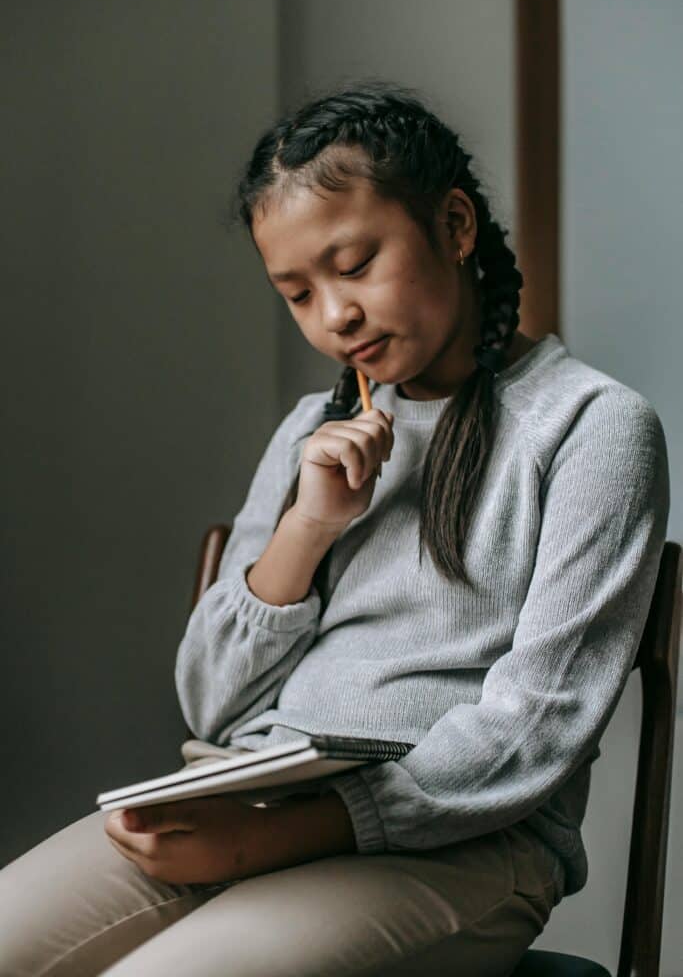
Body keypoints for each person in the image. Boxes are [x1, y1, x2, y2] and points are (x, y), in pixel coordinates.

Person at [0, 80, 669, 977]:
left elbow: (534, 729)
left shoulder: (592, 427)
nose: (333, 316)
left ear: (455, 225)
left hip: (463, 845)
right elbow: (211, 705)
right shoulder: (311, 432)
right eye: (296, 293)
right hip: (249, 797)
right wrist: (308, 526)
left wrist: (272, 839)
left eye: (353, 265)